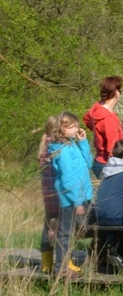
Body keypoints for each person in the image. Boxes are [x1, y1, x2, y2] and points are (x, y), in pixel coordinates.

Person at [49, 112, 93, 277]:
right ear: (62, 128)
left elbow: (88, 163)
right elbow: (67, 180)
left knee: (83, 228)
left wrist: (83, 142)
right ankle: (61, 267)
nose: (77, 128)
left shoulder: (72, 144)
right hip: (71, 199)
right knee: (66, 232)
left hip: (84, 195)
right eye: (73, 126)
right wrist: (77, 202)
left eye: (76, 125)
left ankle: (69, 262)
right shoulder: (62, 150)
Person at [94, 141, 123, 274]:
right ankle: (122, 252)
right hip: (115, 218)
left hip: (98, 216)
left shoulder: (106, 170)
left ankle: (115, 253)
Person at [83, 75, 123, 179]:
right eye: (120, 90)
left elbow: (87, 120)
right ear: (116, 93)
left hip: (99, 161)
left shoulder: (97, 109)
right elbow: (112, 149)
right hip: (107, 164)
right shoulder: (108, 119)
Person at [38, 115, 60, 274]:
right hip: (58, 193)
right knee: (61, 228)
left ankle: (46, 262)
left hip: (48, 195)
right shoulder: (54, 149)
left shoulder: (43, 149)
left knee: (48, 225)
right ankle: (62, 259)